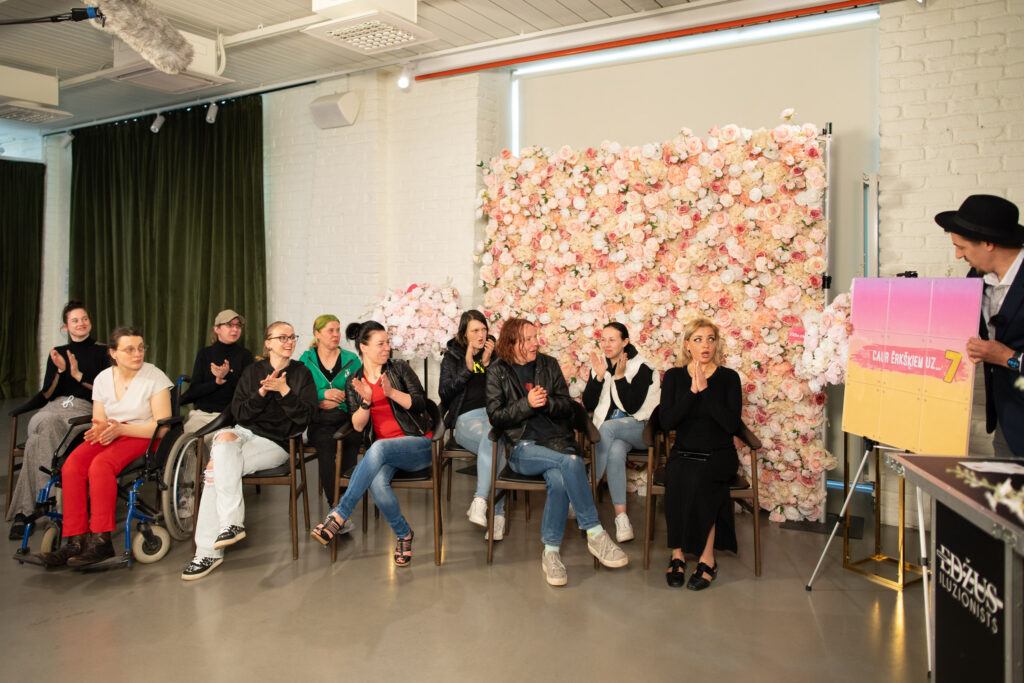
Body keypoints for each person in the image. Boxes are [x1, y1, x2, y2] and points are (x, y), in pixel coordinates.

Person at [485, 317, 628, 587]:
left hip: (556, 443)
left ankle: (550, 553)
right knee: (572, 462)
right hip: (522, 447)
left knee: (561, 476)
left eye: (535, 337)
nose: (535, 343)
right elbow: (496, 416)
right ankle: (595, 532)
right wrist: (527, 404)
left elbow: (566, 407)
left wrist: (546, 403)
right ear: (512, 343)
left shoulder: (548, 364)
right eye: (528, 339)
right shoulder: (497, 371)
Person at [181, 321, 317, 580]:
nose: (289, 342)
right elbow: (240, 413)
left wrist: (285, 391)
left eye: (292, 337)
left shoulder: (302, 374)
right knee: (224, 439)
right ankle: (230, 524)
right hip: (243, 433)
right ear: (268, 343)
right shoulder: (253, 371)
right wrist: (262, 391)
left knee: (213, 470)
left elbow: (305, 418)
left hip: (276, 442)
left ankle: (207, 552)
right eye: (282, 337)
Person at [40, 326, 172, 567]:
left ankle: (102, 541)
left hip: (144, 435)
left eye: (140, 348)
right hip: (113, 432)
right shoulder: (102, 379)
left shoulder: (155, 377)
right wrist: (99, 429)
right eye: (129, 349)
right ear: (113, 353)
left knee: (101, 466)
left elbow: (161, 427)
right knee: (72, 466)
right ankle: (76, 540)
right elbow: (99, 418)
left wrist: (121, 430)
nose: (137, 354)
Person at [311, 322, 433, 567]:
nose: (387, 347)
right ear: (364, 347)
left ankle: (339, 514)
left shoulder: (399, 369)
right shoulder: (354, 381)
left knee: (378, 447)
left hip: (418, 444)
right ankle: (404, 534)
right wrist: (366, 402)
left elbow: (421, 403)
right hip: (386, 452)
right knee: (377, 484)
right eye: (381, 344)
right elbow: (357, 426)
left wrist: (391, 393)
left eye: (387, 342)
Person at [7, 300, 109, 539]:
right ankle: (53, 501)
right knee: (46, 422)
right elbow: (47, 394)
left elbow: (105, 391)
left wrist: (77, 374)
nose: (81, 323)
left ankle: (25, 511)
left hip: (84, 410)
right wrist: (61, 371)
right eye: (75, 320)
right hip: (53, 409)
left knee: (35, 442)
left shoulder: (102, 352)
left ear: (90, 322)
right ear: (65, 326)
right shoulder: (58, 352)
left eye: (84, 319)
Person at [937, 194, 1024, 458]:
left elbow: (1004, 355)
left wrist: (1008, 358)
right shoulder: (976, 278)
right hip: (1007, 421)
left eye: (961, 247)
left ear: (988, 243)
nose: (958, 255)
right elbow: (946, 320)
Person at [660, 318, 742, 591]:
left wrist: (706, 391)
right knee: (677, 476)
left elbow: (731, 425)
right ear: (687, 345)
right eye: (698, 339)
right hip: (684, 452)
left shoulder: (729, 378)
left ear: (716, 344)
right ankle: (678, 555)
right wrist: (692, 392)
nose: (705, 345)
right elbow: (667, 422)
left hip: (719, 454)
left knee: (701, 479)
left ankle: (708, 560)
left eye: (710, 339)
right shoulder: (674, 377)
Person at [581, 322, 661, 543]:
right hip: (614, 436)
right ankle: (622, 518)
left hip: (641, 429)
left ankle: (584, 494)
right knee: (615, 451)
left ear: (625, 342)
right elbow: (588, 404)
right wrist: (598, 378)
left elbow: (633, 407)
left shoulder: (642, 367)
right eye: (603, 340)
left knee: (607, 428)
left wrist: (620, 377)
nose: (606, 344)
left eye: (612, 340)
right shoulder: (601, 365)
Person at [439, 310, 507, 541]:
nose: (481, 335)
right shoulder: (452, 357)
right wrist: (467, 370)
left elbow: (505, 392)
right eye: (475, 330)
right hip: (466, 419)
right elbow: (444, 393)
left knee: (495, 440)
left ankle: (482, 503)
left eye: (484, 329)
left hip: (493, 417)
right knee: (496, 443)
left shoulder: (495, 356)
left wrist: (487, 364)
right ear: (464, 334)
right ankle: (497, 514)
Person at [299, 314, 362, 506]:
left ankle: (344, 499)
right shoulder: (306, 359)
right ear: (317, 334)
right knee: (325, 445)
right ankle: (335, 504)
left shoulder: (351, 359)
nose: (336, 335)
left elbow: (360, 390)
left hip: (347, 417)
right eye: (330, 331)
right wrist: (322, 396)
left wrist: (341, 399)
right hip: (319, 419)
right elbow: (299, 390)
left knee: (351, 440)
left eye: (338, 330)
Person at [180, 309, 254, 439]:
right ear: (217, 329)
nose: (235, 329)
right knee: (187, 442)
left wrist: (228, 375)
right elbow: (194, 391)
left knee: (219, 442)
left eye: (238, 326)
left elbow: (247, 391)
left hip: (230, 418)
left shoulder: (245, 356)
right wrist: (216, 382)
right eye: (229, 325)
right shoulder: (204, 354)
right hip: (202, 415)